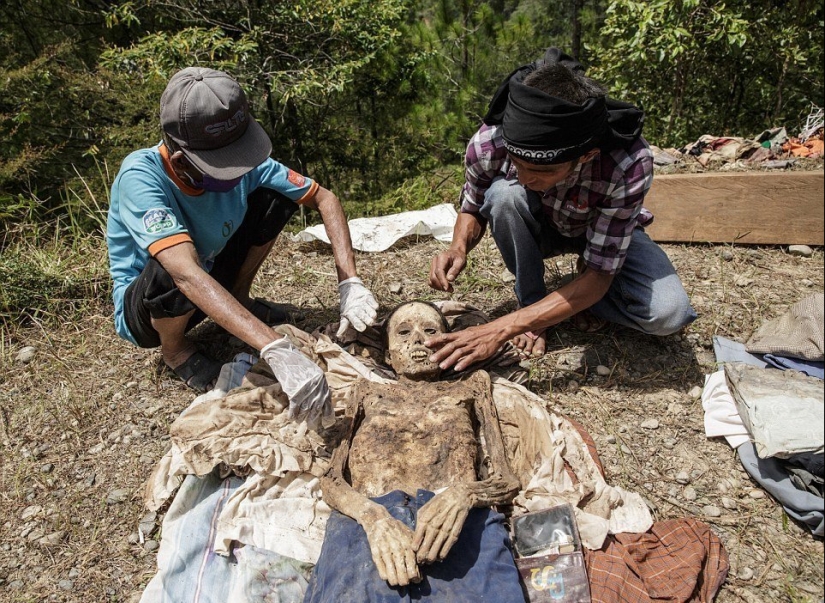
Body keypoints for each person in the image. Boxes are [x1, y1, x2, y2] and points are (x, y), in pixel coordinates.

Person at [106, 67, 377, 426]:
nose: (236, 174)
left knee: (276, 200)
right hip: (153, 307)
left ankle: (239, 297)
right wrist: (276, 348)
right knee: (173, 268)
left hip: (210, 278)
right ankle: (176, 351)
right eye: (220, 168)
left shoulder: (248, 166)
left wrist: (349, 282)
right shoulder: (140, 177)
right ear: (178, 158)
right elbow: (185, 275)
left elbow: (325, 199)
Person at [427, 48, 696, 372]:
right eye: (518, 164)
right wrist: (458, 246)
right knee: (504, 195)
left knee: (669, 314)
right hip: (538, 226)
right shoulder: (489, 142)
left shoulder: (627, 162)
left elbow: (600, 273)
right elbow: (474, 203)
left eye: (541, 172)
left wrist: (500, 328)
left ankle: (565, 304)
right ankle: (539, 304)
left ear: (585, 156)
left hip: (601, 233)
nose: (525, 179)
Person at [303, 301, 524, 602]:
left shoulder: (472, 386)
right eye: (404, 333)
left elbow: (507, 479)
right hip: (368, 523)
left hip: (458, 520)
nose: (418, 339)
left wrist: (465, 495)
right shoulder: (367, 391)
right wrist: (373, 518)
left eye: (430, 330)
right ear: (387, 355)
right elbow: (331, 479)